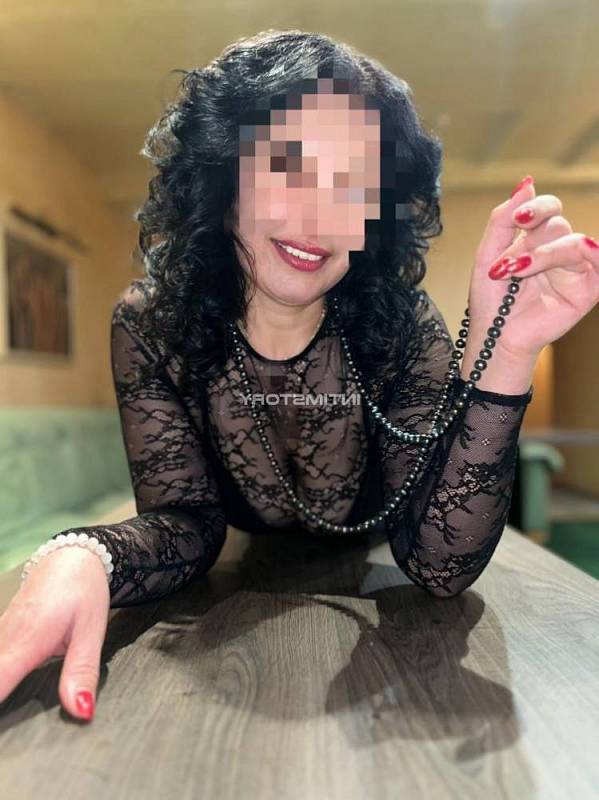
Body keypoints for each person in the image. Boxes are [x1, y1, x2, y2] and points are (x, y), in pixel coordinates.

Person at [2, 29, 599, 723]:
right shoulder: (154, 323)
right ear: (224, 180)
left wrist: (510, 350)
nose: (320, 216)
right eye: (288, 166)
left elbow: (439, 567)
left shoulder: (402, 324)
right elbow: (186, 523)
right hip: (222, 643)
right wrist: (85, 555)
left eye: (353, 185)